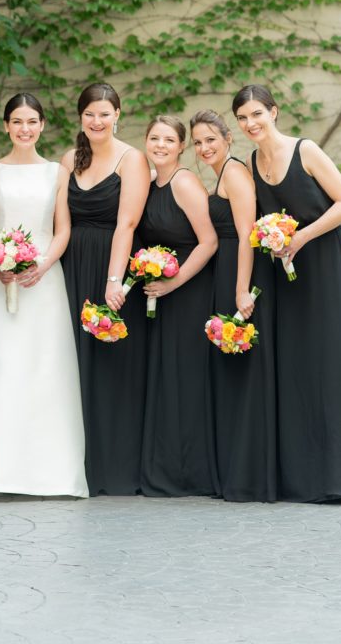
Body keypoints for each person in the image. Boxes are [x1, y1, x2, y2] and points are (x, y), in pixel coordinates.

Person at [233, 83, 341, 503]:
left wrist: (300, 237)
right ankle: (301, 478)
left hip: (328, 269)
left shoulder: (306, 151)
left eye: (257, 115)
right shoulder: (251, 163)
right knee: (298, 371)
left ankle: (340, 479)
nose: (251, 124)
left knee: (331, 368)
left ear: (274, 112)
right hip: (289, 280)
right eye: (243, 118)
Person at [0, 93, 87, 497]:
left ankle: (54, 473)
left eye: (32, 121)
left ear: (42, 126)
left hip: (44, 278)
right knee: (2, 368)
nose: (24, 128)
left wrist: (41, 264)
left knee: (46, 367)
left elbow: (63, 229)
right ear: (6, 126)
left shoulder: (57, 171)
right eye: (17, 121)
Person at [61, 83, 150, 496]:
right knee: (73, 363)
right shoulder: (68, 160)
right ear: (81, 118)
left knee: (112, 364)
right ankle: (74, 463)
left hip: (110, 264)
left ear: (118, 114)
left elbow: (127, 224)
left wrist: (114, 280)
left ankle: (114, 467)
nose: (97, 121)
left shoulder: (132, 159)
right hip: (70, 266)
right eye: (89, 114)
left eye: (104, 113)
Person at [190, 109, 277, 502]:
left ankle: (247, 474)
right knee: (229, 371)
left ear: (227, 138)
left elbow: (246, 236)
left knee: (241, 371)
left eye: (211, 139)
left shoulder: (236, 173)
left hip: (238, 276)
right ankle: (229, 468)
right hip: (224, 273)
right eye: (197, 142)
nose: (204, 147)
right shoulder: (221, 173)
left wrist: (242, 291)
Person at [140, 116, 219, 496]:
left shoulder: (184, 182)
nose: (160, 145)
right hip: (163, 294)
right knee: (168, 378)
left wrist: (174, 282)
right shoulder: (151, 183)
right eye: (154, 138)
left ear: (181, 146)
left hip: (189, 291)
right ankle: (168, 467)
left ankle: (192, 472)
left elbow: (208, 241)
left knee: (187, 379)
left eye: (169, 140)